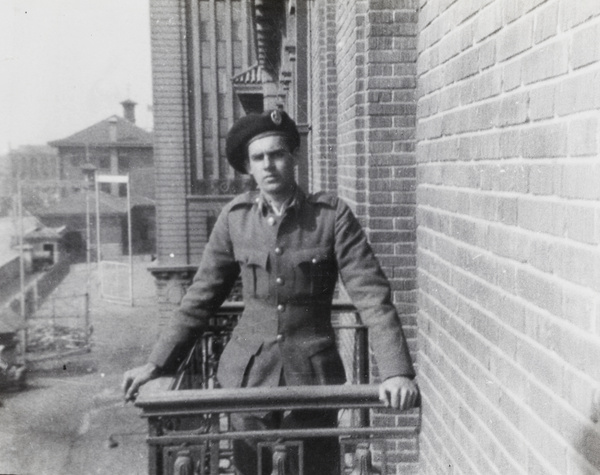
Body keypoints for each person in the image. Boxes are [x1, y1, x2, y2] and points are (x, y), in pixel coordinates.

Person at [123, 109, 419, 474]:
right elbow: (200, 298)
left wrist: (395, 371)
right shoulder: (235, 218)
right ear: (248, 167)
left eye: (277, 154)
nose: (269, 165)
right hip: (248, 382)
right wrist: (156, 364)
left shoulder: (331, 216)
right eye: (258, 158)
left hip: (313, 383)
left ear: (293, 157)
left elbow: (372, 295)